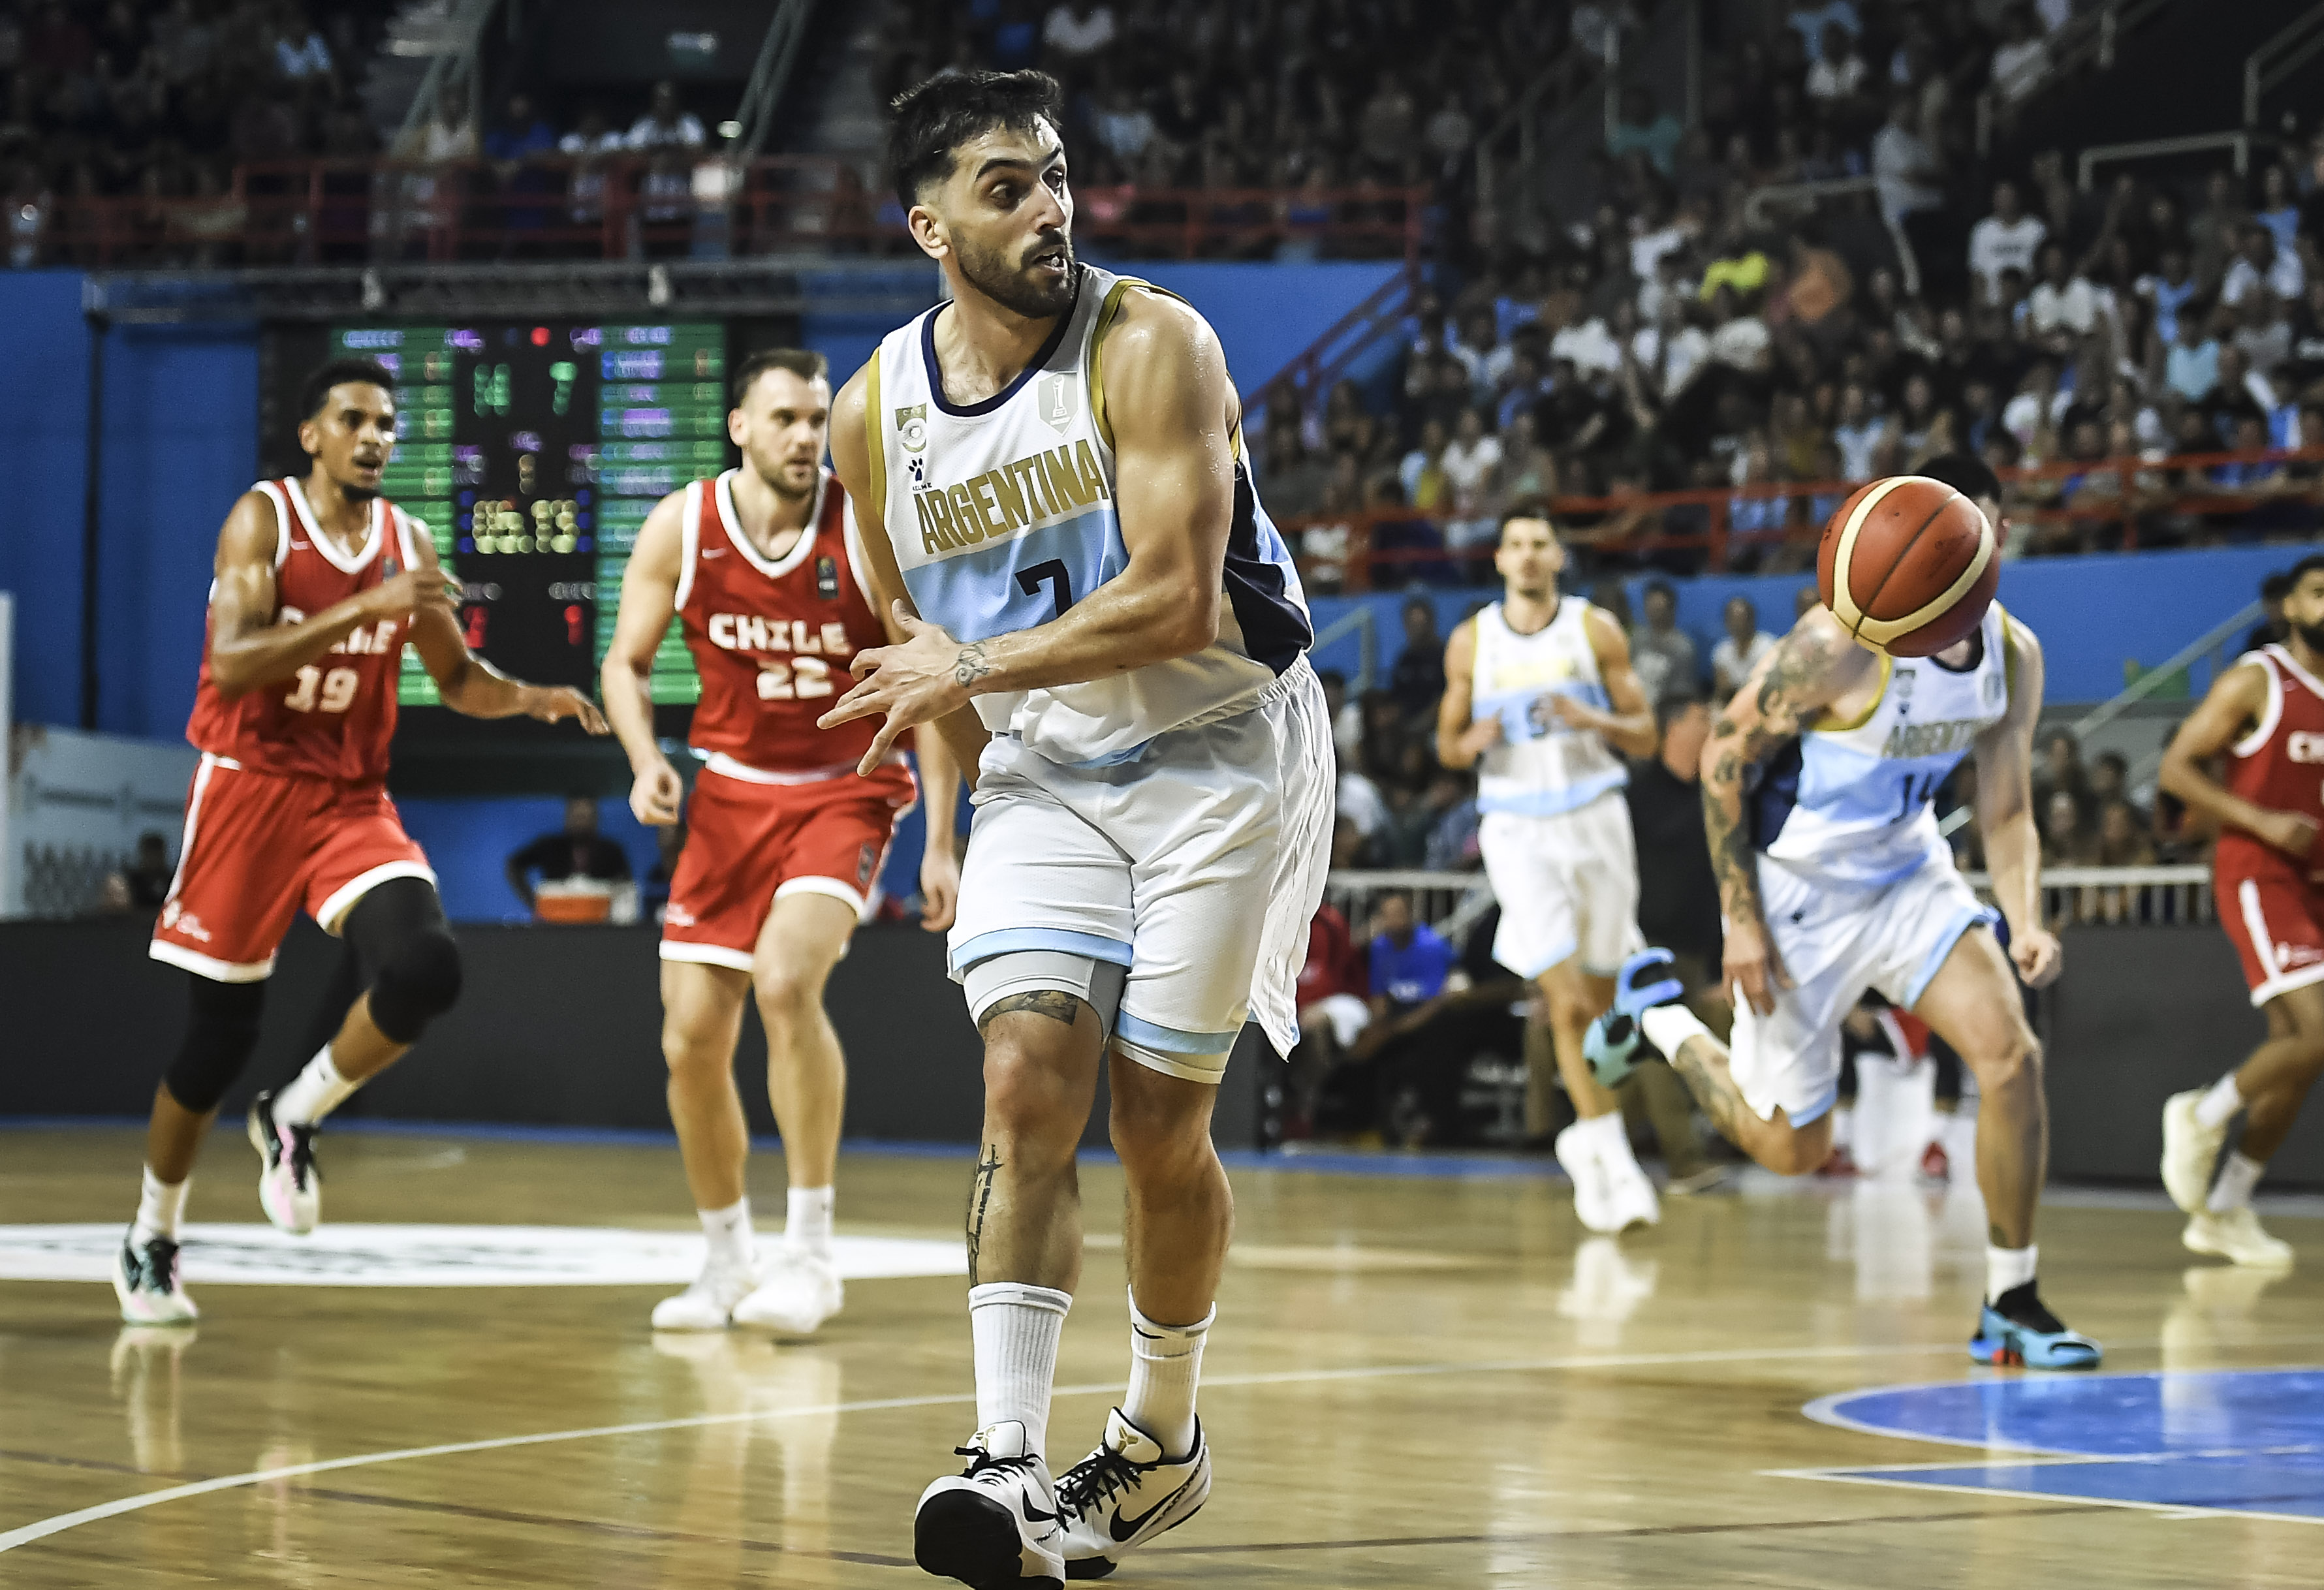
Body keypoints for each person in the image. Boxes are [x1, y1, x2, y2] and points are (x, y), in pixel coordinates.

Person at [819, 70, 1332, 1583]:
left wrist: (966, 671)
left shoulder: (1153, 344)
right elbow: (920, 644)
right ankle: (1004, 1465)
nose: (1046, 208)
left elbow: (1176, 598)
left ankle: (1159, 1438)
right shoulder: (876, 419)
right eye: (1002, 186)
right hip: (1043, 772)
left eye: (1051, 177)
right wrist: (949, 820)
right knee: (1021, 1082)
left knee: (1157, 1127)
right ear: (927, 224)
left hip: (1220, 751)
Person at [1585, 453, 2101, 1370]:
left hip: (1907, 874)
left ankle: (2012, 1298)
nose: (1950, 562)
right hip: (1799, 898)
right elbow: (1722, 760)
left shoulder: (2013, 656)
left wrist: (2023, 919)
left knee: (2010, 1055)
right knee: (1790, 1151)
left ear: (1998, 543)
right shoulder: (1835, 646)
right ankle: (1657, 1019)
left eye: (1965, 546)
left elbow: (2008, 807)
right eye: (1935, 544)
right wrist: (1741, 922)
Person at [119, 359, 606, 1325]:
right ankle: (151, 1234)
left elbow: (456, 678)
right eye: (354, 419)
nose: (376, 437)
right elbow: (232, 662)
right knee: (218, 1040)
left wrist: (530, 696)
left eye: (387, 423)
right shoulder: (263, 520)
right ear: (313, 436)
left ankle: (292, 1116)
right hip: (248, 793)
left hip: (348, 797)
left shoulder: (407, 540)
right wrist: (360, 609)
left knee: (426, 966)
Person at [599, 348, 963, 1335]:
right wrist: (643, 759)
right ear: (741, 429)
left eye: (817, 418)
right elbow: (623, 665)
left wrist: (941, 838)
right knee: (688, 1040)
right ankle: (726, 1260)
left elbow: (923, 676)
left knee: (787, 982)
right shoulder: (687, 523)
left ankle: (810, 1252)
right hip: (728, 794)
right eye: (788, 419)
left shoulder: (862, 522)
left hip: (846, 789)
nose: (808, 436)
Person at [1436, 516, 1661, 1232]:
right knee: (1562, 1001)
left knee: (1599, 1004)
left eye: (1541, 544)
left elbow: (1647, 733)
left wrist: (1586, 717)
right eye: (1516, 545)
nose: (1529, 557)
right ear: (1499, 558)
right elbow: (1445, 747)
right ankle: (1616, 1160)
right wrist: (1469, 740)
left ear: (1558, 556)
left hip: (1595, 816)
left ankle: (1586, 1141)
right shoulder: (1472, 639)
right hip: (1514, 826)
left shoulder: (1593, 630)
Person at [2155, 553, 2324, 1268]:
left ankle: (2223, 1211)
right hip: (2259, 875)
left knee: (2299, 1054)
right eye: (2319, 593)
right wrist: (2256, 820)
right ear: (2289, 606)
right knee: (2317, 1031)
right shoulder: (2257, 680)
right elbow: (2174, 770)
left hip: (2313, 881)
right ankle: (2199, 1113)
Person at [505, 796, 632, 916]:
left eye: (586, 817)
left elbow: (626, 883)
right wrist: (532, 901)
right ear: (568, 817)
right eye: (577, 817)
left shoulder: (611, 850)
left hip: (597, 918)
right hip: (554, 916)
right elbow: (514, 864)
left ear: (596, 819)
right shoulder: (549, 846)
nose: (582, 822)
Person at [1627, 578, 1699, 709]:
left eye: (1659, 608)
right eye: (1651, 607)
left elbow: (1680, 694)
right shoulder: (1637, 638)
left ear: (1671, 609)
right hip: (1633, 707)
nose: (1654, 612)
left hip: (1664, 712)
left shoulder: (1682, 647)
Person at [1710, 595, 1774, 701]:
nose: (1738, 624)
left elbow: (1765, 687)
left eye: (1741, 619)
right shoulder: (1721, 650)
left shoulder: (1768, 646)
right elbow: (1723, 689)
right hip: (1730, 703)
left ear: (1752, 619)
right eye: (1733, 619)